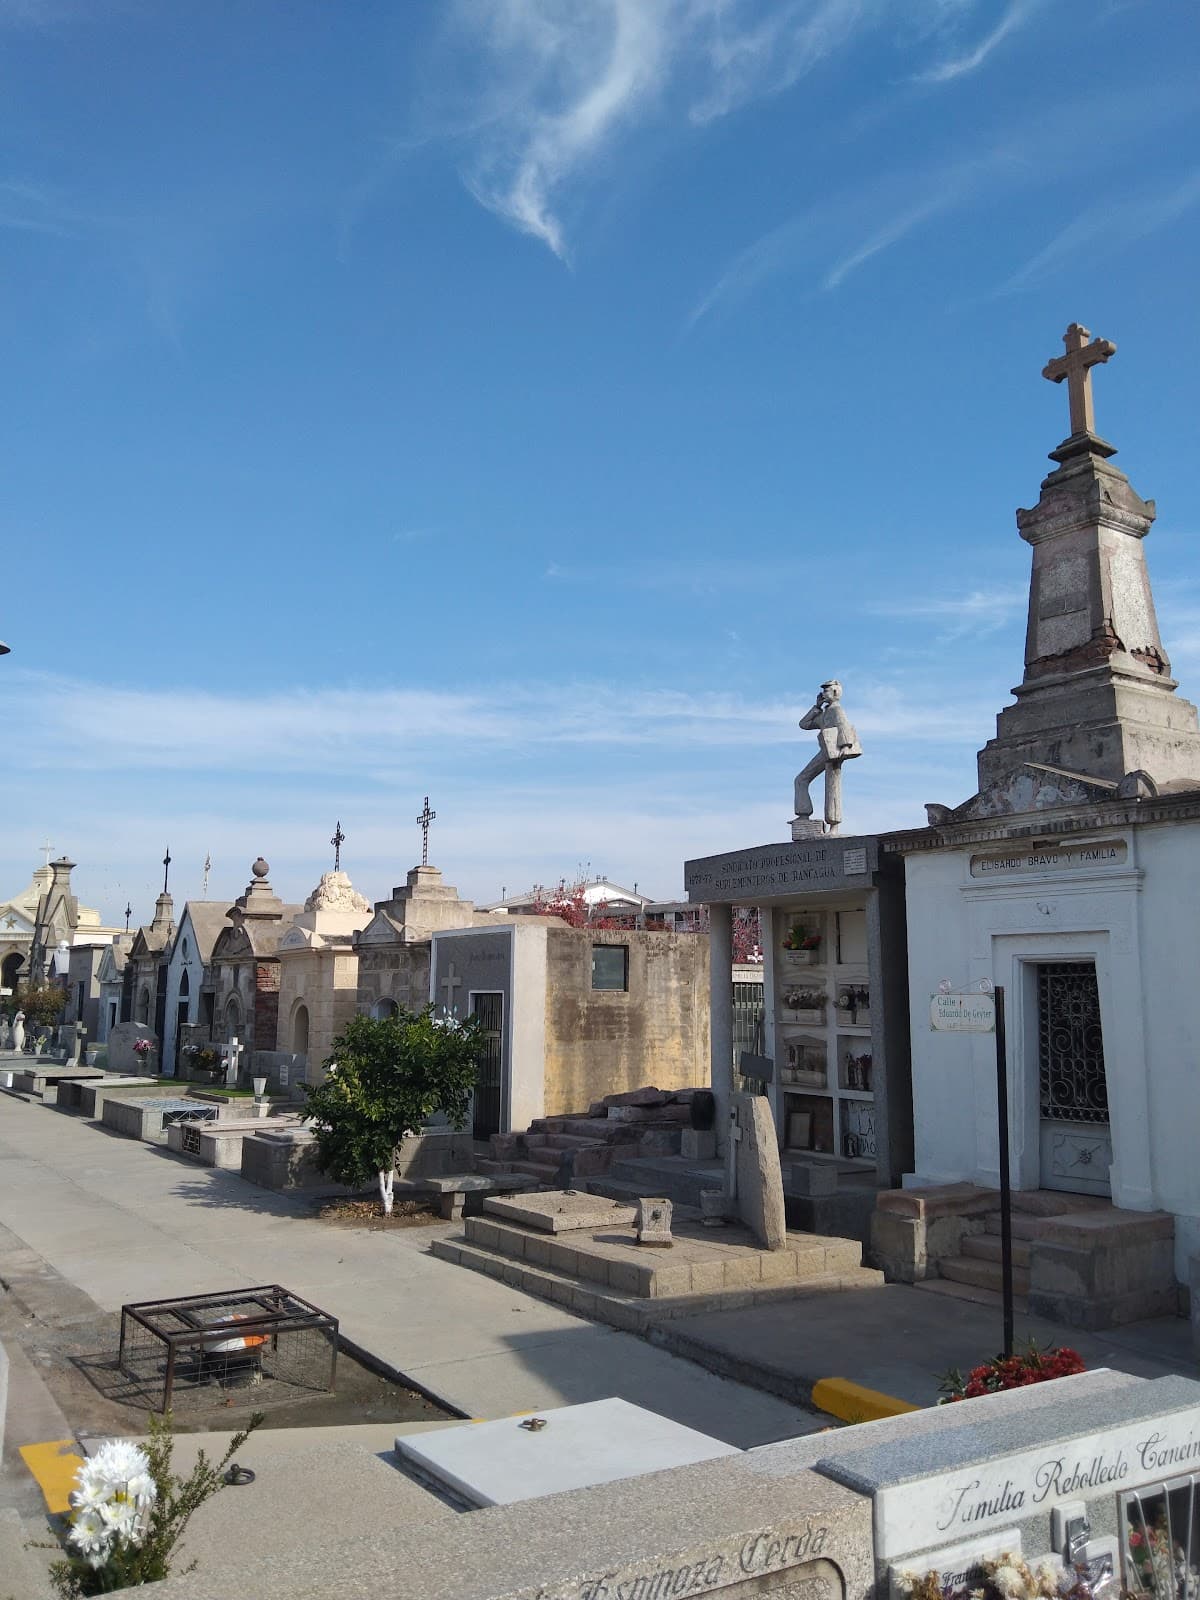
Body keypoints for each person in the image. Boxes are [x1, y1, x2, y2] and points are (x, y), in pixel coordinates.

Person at [793, 680, 862, 832]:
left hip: (836, 752)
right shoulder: (824, 713)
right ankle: (803, 815)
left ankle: (834, 826)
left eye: (826, 691)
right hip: (825, 751)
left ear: (835, 692)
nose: (823, 694)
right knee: (801, 779)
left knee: (832, 787)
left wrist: (845, 746)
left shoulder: (837, 710)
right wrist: (816, 707)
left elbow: (844, 726)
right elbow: (804, 724)